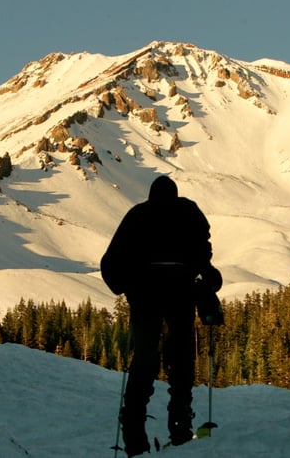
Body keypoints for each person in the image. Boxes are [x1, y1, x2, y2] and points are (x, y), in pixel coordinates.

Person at [101, 175, 222, 457]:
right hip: (181, 293)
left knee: (144, 356)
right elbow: (203, 253)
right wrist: (207, 278)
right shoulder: (188, 214)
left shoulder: (138, 215)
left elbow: (112, 259)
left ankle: (133, 423)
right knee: (180, 356)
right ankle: (180, 420)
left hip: (144, 294)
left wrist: (124, 286)